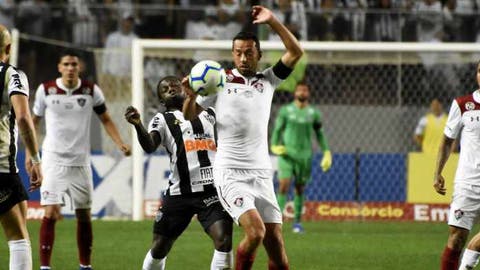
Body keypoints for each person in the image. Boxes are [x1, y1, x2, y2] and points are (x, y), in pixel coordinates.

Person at [183, 5, 303, 269]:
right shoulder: (219, 81)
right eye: (238, 53)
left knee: (279, 257)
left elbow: (296, 52)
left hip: (261, 173)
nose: (243, 58)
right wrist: (191, 97)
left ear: (259, 54)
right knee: (255, 233)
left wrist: (272, 21)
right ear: (233, 55)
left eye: (249, 53)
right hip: (230, 173)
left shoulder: (269, 79)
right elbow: (191, 117)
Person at [29, 50, 131, 270]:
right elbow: (33, 122)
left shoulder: (91, 90)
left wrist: (119, 142)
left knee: (83, 213)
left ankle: (85, 265)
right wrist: (31, 153)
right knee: (49, 212)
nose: (70, 68)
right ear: (59, 67)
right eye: (66, 64)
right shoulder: (45, 90)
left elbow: (106, 118)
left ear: (79, 68)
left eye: (74, 64)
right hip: (52, 159)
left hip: (81, 161)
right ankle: (45, 266)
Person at [125, 76, 233, 270]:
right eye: (165, 89)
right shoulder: (162, 119)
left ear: (185, 89)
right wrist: (138, 124)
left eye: (175, 86)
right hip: (179, 193)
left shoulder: (209, 112)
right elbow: (150, 146)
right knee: (160, 248)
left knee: (224, 241)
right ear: (161, 100)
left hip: (212, 191)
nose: (171, 89)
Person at [0, 24, 42, 270]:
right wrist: (35, 159)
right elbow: (24, 117)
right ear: (8, 47)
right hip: (1, 167)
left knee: (22, 221)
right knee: (18, 237)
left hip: (8, 169)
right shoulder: (12, 74)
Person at [434, 62, 480, 270]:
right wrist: (438, 173)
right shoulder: (462, 104)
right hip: (468, 183)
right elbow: (446, 140)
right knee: (457, 237)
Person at [270, 82, 332, 233]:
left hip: (305, 156)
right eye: (299, 90)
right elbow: (278, 129)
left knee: (299, 188)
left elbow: (320, 134)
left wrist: (326, 151)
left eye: (305, 90)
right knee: (284, 185)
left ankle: (297, 223)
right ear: (295, 93)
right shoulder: (286, 111)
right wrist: (273, 145)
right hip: (287, 154)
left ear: (308, 93)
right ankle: (275, 222)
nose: (302, 92)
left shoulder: (313, 113)